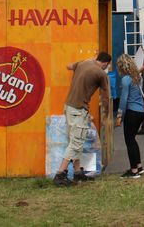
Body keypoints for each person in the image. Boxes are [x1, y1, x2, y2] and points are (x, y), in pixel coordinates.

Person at [53, 51, 111, 187]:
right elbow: (105, 97)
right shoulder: (101, 74)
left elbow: (68, 66)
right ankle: (60, 174)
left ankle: (77, 172)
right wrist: (107, 113)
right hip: (79, 110)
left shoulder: (82, 64)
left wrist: (89, 60)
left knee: (74, 141)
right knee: (76, 143)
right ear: (105, 64)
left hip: (68, 107)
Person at [115, 54, 144, 179]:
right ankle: (139, 166)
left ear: (122, 66)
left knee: (129, 141)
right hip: (141, 111)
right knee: (133, 139)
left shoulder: (126, 79)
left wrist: (119, 115)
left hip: (131, 112)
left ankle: (134, 171)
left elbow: (124, 99)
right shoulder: (137, 77)